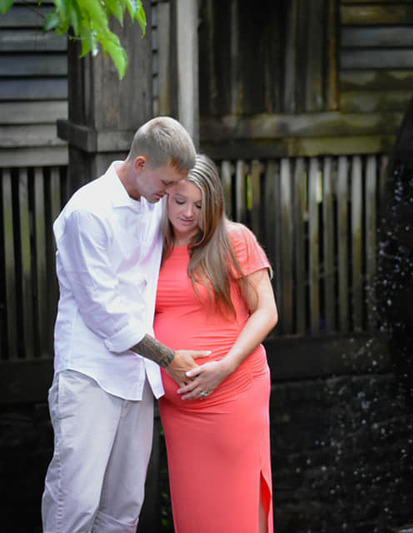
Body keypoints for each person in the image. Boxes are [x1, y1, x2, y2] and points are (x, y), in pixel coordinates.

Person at [41, 116, 211, 532]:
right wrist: (170, 358)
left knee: (124, 509)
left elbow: (196, 223)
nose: (173, 195)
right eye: (169, 184)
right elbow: (104, 311)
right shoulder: (88, 211)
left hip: (138, 377)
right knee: (74, 502)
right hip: (89, 374)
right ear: (139, 164)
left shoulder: (152, 202)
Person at [154, 154, 278, 532]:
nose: (189, 213)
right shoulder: (152, 245)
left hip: (234, 394)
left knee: (237, 505)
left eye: (200, 205)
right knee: (196, 510)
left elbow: (267, 312)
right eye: (180, 201)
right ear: (165, 195)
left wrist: (224, 368)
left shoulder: (234, 239)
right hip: (180, 411)